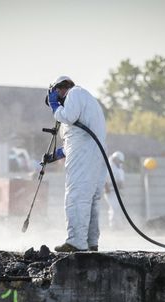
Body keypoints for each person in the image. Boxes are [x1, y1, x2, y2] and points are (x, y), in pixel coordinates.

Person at [44, 75, 107, 252]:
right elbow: (76, 138)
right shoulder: (84, 99)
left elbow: (68, 117)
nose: (55, 108)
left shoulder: (75, 94)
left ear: (58, 90)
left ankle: (76, 242)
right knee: (91, 198)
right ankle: (90, 241)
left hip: (84, 155)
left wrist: (55, 106)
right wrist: (57, 154)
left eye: (55, 101)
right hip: (93, 153)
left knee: (76, 195)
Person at [103, 151, 125, 229]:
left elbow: (120, 182)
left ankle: (117, 225)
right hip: (110, 191)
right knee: (114, 208)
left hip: (116, 192)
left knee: (117, 208)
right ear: (115, 159)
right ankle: (113, 225)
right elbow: (105, 179)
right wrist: (106, 188)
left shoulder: (119, 168)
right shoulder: (109, 166)